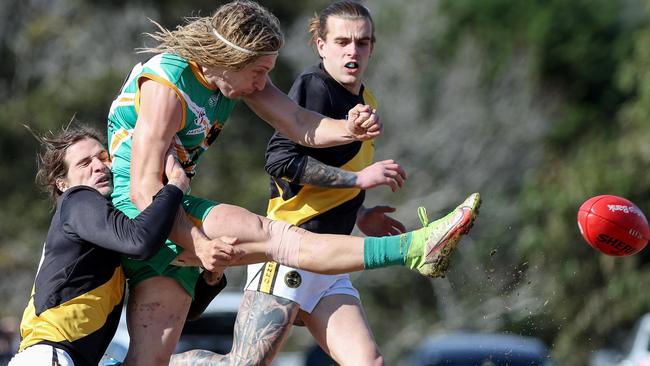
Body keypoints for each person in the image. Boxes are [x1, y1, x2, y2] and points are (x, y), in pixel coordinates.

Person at [107, 1, 481, 364]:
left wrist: (349, 129)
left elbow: (300, 123)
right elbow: (143, 192)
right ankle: (415, 246)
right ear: (232, 58)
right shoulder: (168, 84)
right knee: (274, 238)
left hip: (169, 214)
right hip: (141, 210)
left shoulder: (235, 79)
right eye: (258, 71)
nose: (262, 82)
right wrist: (200, 245)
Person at [8, 124, 235, 366]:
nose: (99, 166)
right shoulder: (77, 199)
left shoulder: (106, 239)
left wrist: (211, 276)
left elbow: (177, 308)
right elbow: (139, 241)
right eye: (84, 163)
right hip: (49, 356)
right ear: (62, 184)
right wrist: (175, 186)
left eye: (104, 157)